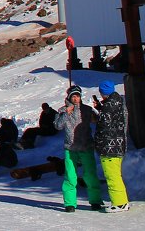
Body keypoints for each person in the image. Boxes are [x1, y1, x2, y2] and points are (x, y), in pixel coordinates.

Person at [53, 84, 103, 212]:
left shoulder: (86, 109)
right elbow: (58, 126)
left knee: (90, 175)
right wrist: (65, 114)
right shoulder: (62, 110)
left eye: (78, 96)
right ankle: (70, 204)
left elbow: (98, 120)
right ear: (69, 97)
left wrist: (98, 109)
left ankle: (96, 201)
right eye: (73, 96)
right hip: (70, 148)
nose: (76, 99)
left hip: (86, 146)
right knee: (70, 176)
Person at [94, 80, 129, 213]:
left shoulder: (108, 106)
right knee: (116, 175)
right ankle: (122, 200)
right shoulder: (120, 102)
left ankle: (120, 203)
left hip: (109, 146)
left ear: (103, 93)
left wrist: (98, 114)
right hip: (119, 144)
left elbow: (104, 125)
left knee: (112, 175)